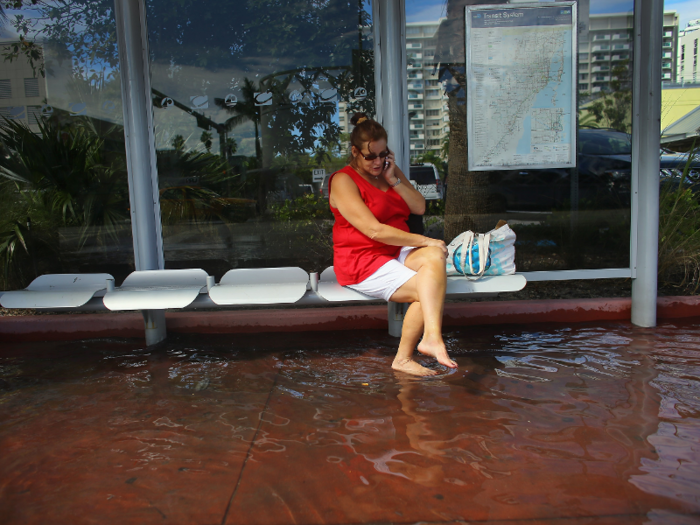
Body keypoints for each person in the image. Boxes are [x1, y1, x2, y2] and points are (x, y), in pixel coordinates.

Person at [328, 112, 458, 376]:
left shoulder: (387, 169)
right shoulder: (343, 180)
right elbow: (374, 230)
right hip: (362, 259)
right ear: (355, 152)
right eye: (370, 156)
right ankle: (404, 357)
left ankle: (432, 338)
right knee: (427, 290)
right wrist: (424, 239)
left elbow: (419, 207)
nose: (377, 161)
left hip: (396, 251)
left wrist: (393, 179)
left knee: (435, 257)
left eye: (382, 153)